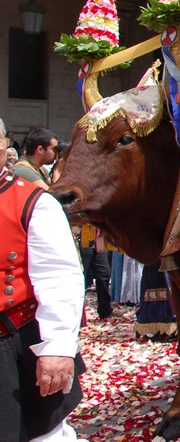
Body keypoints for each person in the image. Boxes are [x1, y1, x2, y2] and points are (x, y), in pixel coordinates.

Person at [0, 118, 86, 440]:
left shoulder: (33, 202)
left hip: (14, 345)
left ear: (3, 145)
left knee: (42, 435)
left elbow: (59, 275)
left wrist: (57, 347)